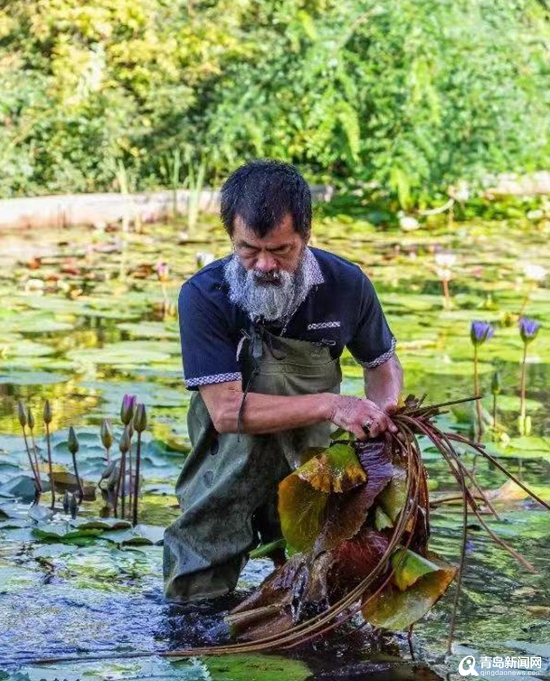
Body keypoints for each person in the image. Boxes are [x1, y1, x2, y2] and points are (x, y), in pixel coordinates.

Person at [163, 160, 403, 604]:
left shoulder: (348, 286)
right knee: (194, 602)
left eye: (281, 250)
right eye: (249, 250)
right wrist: (332, 405)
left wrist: (384, 419)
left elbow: (382, 364)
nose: (265, 265)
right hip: (225, 463)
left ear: (306, 236)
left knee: (316, 592)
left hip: (311, 465)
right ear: (230, 237)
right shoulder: (202, 296)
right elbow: (225, 411)